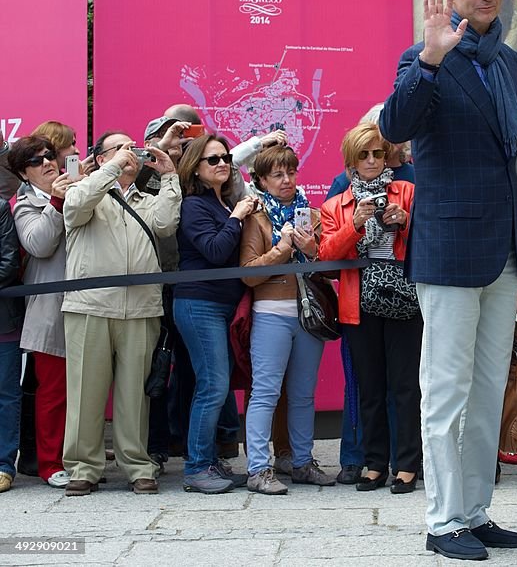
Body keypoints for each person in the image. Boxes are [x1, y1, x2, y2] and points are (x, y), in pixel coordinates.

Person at [379, 0, 517, 561]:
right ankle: (443, 522)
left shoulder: (508, 59)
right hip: (448, 249)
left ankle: (474, 510)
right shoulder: (425, 57)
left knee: (490, 389)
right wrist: (432, 58)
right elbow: (394, 126)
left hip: (502, 252)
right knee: (445, 392)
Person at [61, 131, 180, 496]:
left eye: (133, 147)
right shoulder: (86, 191)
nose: (130, 152)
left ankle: (137, 464)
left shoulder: (147, 196)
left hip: (142, 307)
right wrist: (110, 168)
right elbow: (74, 206)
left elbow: (165, 224)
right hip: (91, 305)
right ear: (101, 158)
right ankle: (83, 466)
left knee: (134, 395)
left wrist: (170, 175)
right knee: (85, 392)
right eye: (120, 147)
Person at [320, 123, 421, 494]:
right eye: (364, 155)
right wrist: (355, 226)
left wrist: (406, 222)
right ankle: (375, 463)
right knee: (370, 388)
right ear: (351, 160)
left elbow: (430, 239)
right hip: (358, 306)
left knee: (405, 386)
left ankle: (408, 463)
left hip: (405, 300)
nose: (372, 161)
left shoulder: (407, 191)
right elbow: (327, 255)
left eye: (378, 153)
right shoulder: (336, 204)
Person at [241, 145, 333, 494]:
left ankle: (302, 461)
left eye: (291, 172)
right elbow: (248, 275)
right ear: (262, 181)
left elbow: (331, 262)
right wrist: (281, 250)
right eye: (277, 174)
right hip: (271, 313)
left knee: (303, 394)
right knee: (265, 392)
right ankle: (259, 469)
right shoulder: (258, 218)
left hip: (308, 313)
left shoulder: (310, 213)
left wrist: (312, 250)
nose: (287, 180)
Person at [174, 134, 262, 494]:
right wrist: (239, 217)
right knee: (212, 386)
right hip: (200, 304)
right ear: (196, 167)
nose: (223, 163)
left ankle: (208, 461)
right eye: (213, 159)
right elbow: (213, 250)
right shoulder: (194, 205)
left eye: (226, 157)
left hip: (223, 305)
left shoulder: (223, 202)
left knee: (218, 386)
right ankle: (196, 467)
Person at [9, 136, 81, 488]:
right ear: (24, 173)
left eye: (50, 156)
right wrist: (57, 201)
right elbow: (38, 243)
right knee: (54, 391)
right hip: (50, 308)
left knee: (88, 388)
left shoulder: (80, 186)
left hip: (89, 301)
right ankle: (50, 464)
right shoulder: (22, 204)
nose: (49, 164)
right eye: (37, 161)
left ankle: (82, 457)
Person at [0, 198, 24, 493]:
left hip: (3, 320)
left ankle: (4, 464)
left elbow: (8, 263)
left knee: (6, 393)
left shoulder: (1, 208)